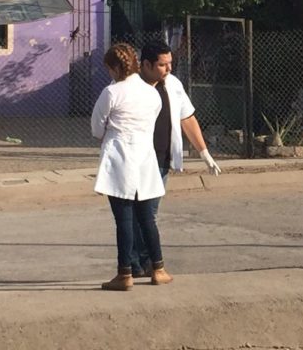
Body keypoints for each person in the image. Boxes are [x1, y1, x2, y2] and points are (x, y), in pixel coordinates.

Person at [130, 40, 221, 278]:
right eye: (163, 65)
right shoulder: (128, 85)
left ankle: (140, 261)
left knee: (149, 211)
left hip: (161, 159)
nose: (169, 69)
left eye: (170, 63)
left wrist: (204, 153)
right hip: (134, 158)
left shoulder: (173, 84)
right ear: (146, 65)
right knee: (137, 212)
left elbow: (187, 118)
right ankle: (141, 261)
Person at [91, 43, 173, 291]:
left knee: (124, 219)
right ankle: (158, 269)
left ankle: (124, 273)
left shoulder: (111, 92)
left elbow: (96, 129)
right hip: (145, 159)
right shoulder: (151, 93)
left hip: (119, 159)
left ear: (115, 67)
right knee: (147, 217)